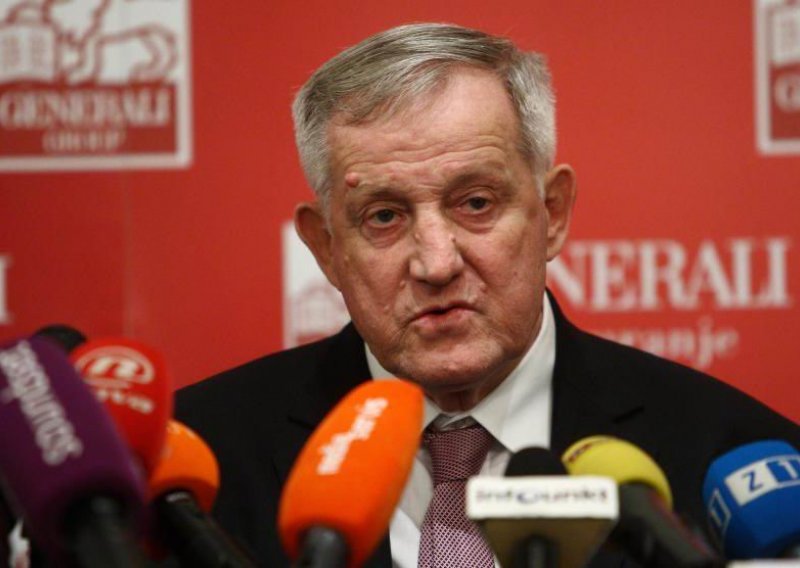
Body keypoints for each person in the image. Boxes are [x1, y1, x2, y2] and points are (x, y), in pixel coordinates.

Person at [175, 23, 800, 567]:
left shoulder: (734, 461)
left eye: (476, 203)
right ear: (326, 247)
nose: (436, 263)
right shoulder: (189, 477)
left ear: (553, 213)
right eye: (384, 216)